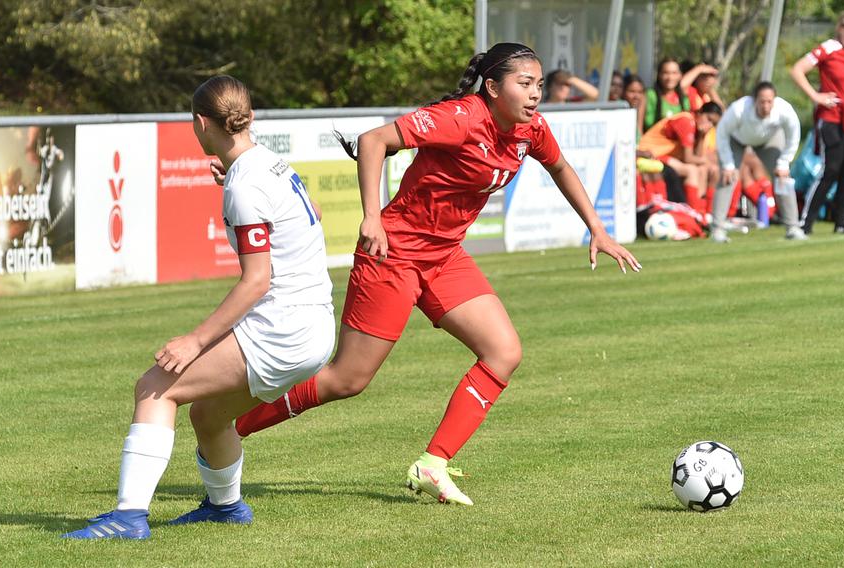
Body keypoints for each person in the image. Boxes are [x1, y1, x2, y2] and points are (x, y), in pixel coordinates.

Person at [232, 43, 641, 506]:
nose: (535, 95)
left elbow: (560, 166)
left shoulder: (531, 129)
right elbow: (373, 141)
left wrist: (598, 229)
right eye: (524, 84)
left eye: (539, 85)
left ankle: (433, 464)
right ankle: (231, 427)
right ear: (492, 87)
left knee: (503, 352)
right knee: (347, 379)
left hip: (445, 258)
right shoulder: (461, 117)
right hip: (395, 254)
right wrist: (372, 217)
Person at [62, 75, 336, 539]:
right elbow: (312, 217)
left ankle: (128, 518)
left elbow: (256, 282)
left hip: (283, 330)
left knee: (155, 386)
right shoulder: (270, 164)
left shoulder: (246, 184)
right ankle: (225, 508)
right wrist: (236, 184)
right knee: (207, 415)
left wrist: (195, 340)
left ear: (200, 123)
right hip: (316, 330)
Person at [709, 82, 806, 242]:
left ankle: (793, 228)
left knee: (783, 179)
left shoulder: (784, 110)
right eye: (762, 101)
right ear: (754, 100)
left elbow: (793, 136)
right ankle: (717, 230)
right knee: (728, 179)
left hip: (768, 140)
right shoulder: (739, 109)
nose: (766, 106)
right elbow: (722, 133)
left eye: (769, 101)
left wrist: (784, 162)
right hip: (737, 139)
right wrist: (727, 165)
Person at [790, 10, 844, 234]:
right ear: (839, 28)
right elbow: (797, 70)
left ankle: (841, 223)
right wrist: (816, 97)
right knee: (831, 168)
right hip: (831, 118)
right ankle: (806, 222)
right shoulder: (829, 48)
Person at [638, 102, 723, 214]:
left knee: (704, 168)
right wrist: (705, 160)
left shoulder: (701, 127)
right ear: (700, 112)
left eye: (713, 123)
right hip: (650, 154)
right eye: (709, 118)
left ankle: (706, 213)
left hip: (665, 156)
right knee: (692, 170)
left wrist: (702, 137)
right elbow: (688, 158)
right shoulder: (686, 121)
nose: (709, 124)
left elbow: (696, 156)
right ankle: (694, 213)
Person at [643, 58, 717, 132]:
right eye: (665, 73)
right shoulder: (650, 95)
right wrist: (699, 69)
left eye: (674, 73)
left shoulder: (683, 98)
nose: (670, 77)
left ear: (680, 75)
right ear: (659, 75)